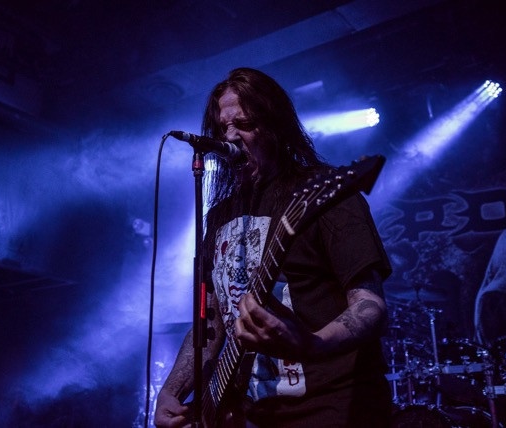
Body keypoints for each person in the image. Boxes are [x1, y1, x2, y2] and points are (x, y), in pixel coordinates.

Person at [154, 67, 393, 428]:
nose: (230, 137)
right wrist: (171, 391)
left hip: (332, 408)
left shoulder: (323, 193)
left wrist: (313, 344)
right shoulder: (220, 216)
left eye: (245, 124)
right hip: (249, 414)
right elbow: (211, 323)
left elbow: (370, 306)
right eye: (221, 128)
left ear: (276, 127)